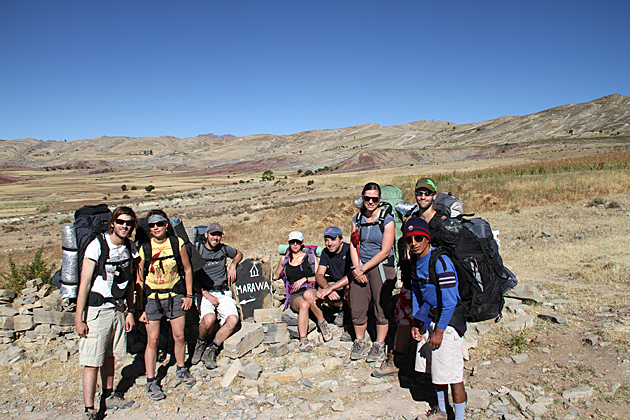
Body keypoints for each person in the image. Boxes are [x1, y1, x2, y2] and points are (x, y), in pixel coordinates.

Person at [75, 206, 139, 419]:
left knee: (110, 356)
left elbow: (130, 282)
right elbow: (84, 284)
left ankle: (108, 395)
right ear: (112, 223)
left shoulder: (130, 247)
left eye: (128, 223)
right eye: (121, 222)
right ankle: (89, 408)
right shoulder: (97, 246)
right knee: (92, 361)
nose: (124, 226)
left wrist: (130, 310)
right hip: (97, 311)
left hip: (118, 309)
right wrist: (79, 318)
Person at [373, 177, 440, 377]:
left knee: (432, 317)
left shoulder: (440, 221)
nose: (422, 197)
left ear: (434, 196)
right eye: (419, 193)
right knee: (404, 317)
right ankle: (397, 359)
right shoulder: (410, 219)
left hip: (433, 278)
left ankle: (431, 365)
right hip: (412, 276)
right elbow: (406, 247)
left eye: (427, 193)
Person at [405, 216, 467, 420]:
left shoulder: (441, 261)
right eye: (409, 239)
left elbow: (449, 301)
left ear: (427, 238)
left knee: (454, 376)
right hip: (430, 318)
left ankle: (459, 417)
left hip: (448, 322)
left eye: (418, 238)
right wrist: (417, 322)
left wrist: (439, 331)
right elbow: (416, 292)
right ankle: (442, 409)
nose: (414, 243)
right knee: (436, 371)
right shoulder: (414, 261)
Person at [137, 209, 195, 401]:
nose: (156, 228)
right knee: (152, 341)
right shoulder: (145, 247)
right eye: (152, 225)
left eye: (159, 224)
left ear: (167, 224)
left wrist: (188, 295)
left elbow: (187, 269)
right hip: (152, 298)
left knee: (179, 336)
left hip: (174, 295)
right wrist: (140, 307)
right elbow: (139, 278)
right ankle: (151, 381)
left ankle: (181, 368)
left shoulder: (176, 243)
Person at [349, 182, 396, 362]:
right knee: (357, 303)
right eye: (367, 198)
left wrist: (364, 268)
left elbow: (385, 250)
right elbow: (354, 244)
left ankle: (379, 344)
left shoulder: (387, 220)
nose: (370, 202)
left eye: (374, 199)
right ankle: (359, 341)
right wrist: (357, 268)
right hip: (361, 265)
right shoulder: (357, 219)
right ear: (362, 198)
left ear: (379, 199)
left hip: (380, 265)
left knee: (380, 304)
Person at [190, 222, 243, 369]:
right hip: (205, 292)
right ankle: (200, 343)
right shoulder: (198, 250)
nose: (216, 237)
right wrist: (204, 293)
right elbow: (190, 277)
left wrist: (232, 265)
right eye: (213, 234)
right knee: (208, 320)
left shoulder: (223, 249)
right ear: (206, 235)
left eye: (218, 235)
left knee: (233, 320)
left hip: (223, 291)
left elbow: (239, 254)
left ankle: (212, 348)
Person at [272, 231, 332, 351]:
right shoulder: (284, 259)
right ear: (289, 243)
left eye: (298, 242)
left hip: (310, 289)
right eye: (292, 242)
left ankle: (322, 323)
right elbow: (275, 276)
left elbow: (319, 276)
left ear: (302, 243)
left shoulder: (310, 257)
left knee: (308, 295)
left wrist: (303, 279)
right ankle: (303, 339)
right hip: (295, 294)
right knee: (304, 304)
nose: (295, 244)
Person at [315, 226, 352, 338]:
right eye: (327, 240)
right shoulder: (325, 252)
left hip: (348, 281)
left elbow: (351, 275)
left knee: (350, 288)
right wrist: (327, 288)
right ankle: (343, 308)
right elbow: (319, 274)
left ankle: (351, 320)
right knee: (319, 292)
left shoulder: (350, 250)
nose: (329, 243)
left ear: (341, 240)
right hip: (334, 283)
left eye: (333, 239)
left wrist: (330, 288)